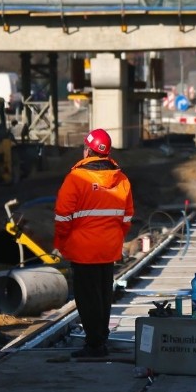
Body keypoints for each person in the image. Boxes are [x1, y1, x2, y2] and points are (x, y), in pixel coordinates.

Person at [54, 129, 134, 358]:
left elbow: (62, 216)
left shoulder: (76, 179)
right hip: (108, 249)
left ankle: (94, 345)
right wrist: (114, 237)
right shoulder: (122, 180)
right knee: (103, 295)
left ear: (88, 150)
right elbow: (127, 218)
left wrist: (62, 242)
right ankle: (100, 338)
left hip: (83, 250)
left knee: (87, 297)